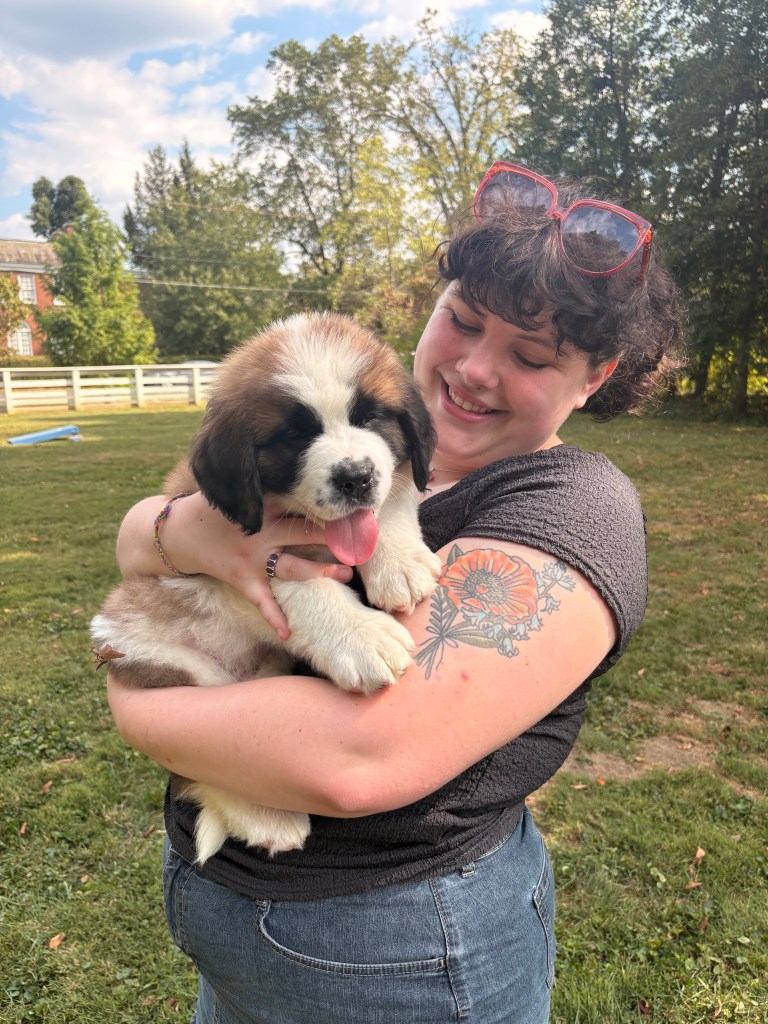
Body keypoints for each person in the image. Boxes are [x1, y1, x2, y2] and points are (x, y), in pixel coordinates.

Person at [107, 161, 683, 1024]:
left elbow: (357, 758)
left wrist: (140, 705)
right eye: (463, 320)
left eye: (531, 356)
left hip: (396, 945)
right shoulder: (390, 440)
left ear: (594, 377)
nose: (476, 369)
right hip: (223, 909)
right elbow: (153, 531)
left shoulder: (574, 506)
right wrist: (179, 534)